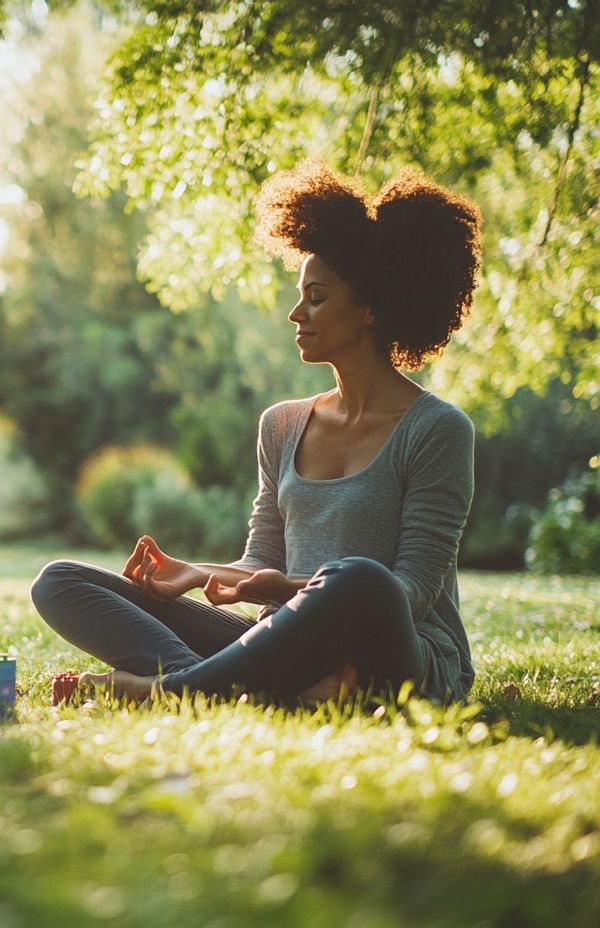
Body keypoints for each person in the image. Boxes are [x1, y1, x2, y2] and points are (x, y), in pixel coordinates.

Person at [31, 158, 483, 706]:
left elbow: (408, 593)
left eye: (316, 297)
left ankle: (178, 690)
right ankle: (254, 688)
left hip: (399, 653)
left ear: (369, 309)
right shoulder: (284, 424)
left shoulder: (437, 429)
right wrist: (197, 573)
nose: (296, 313)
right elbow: (259, 559)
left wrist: (296, 590)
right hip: (283, 640)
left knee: (359, 579)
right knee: (61, 581)